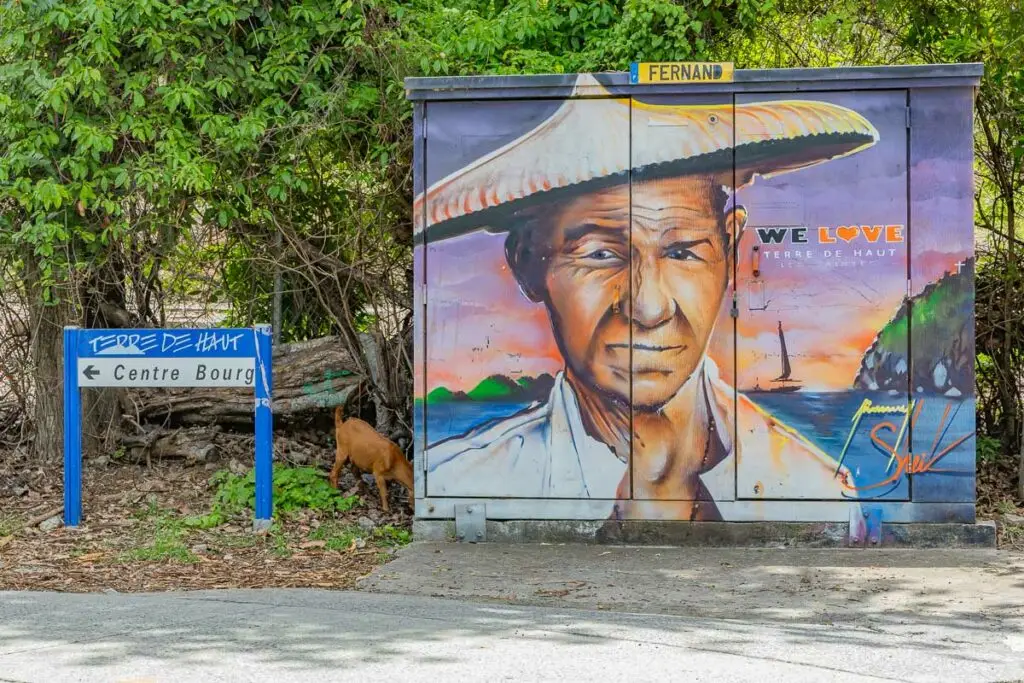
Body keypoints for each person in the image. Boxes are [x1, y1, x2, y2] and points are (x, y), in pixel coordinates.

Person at [419, 75, 875, 520]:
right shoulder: (456, 483)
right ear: (527, 264)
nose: (649, 307)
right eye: (600, 254)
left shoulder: (815, 487)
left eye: (682, 252)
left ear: (730, 252)